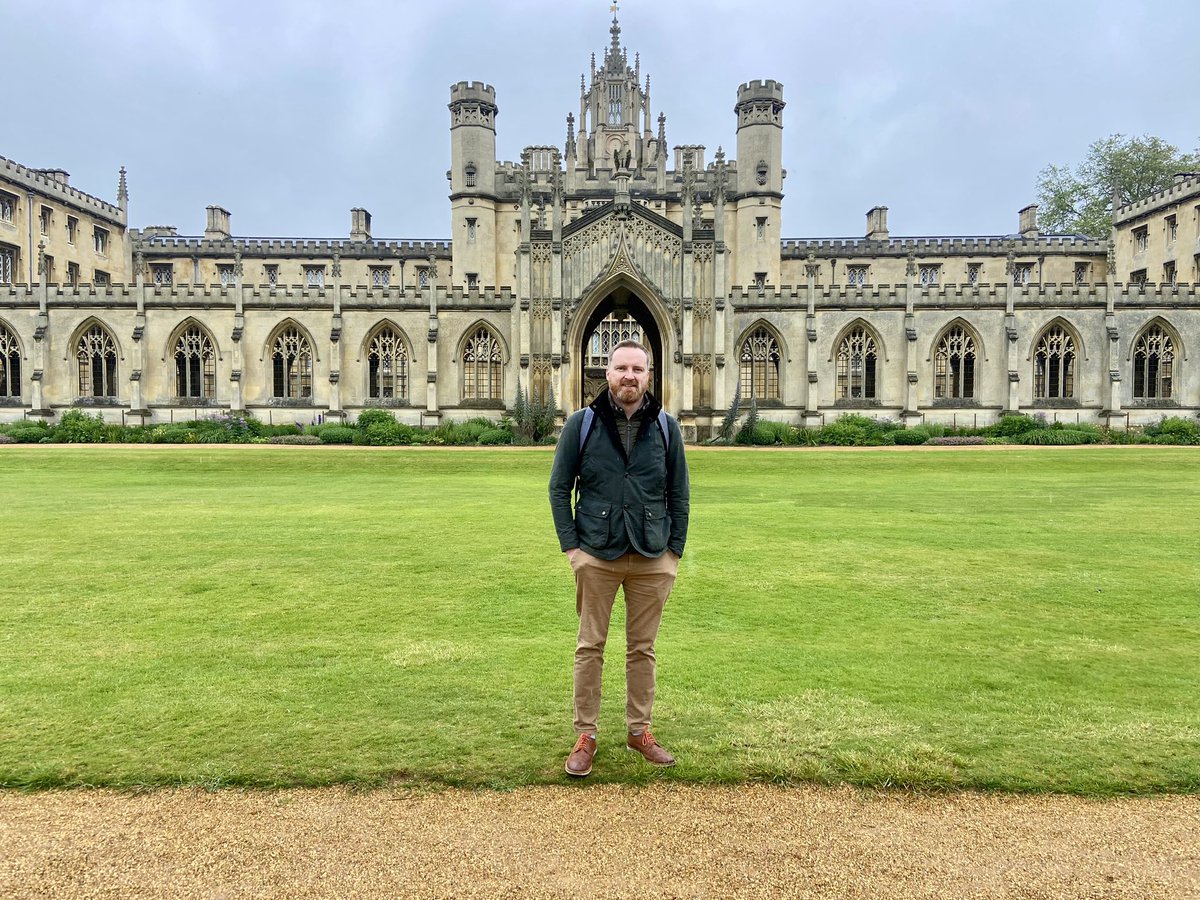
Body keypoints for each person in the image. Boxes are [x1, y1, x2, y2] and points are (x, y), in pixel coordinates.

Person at [548, 339, 690, 777]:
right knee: (590, 647)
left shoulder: (667, 427)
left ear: (650, 375)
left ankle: (638, 731)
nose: (630, 376)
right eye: (622, 368)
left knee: (642, 649)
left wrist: (674, 554)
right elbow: (559, 488)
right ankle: (586, 734)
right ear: (606, 373)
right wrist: (572, 549)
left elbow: (680, 494)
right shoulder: (582, 424)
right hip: (597, 553)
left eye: (638, 369)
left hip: (652, 556)